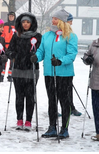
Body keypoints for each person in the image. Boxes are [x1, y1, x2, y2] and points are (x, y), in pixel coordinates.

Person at [30, 9, 78, 139]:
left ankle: (64, 128)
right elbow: (41, 51)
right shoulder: (46, 36)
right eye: (52, 18)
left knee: (64, 101)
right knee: (52, 100)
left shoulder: (70, 36)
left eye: (56, 19)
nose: (53, 21)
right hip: (49, 73)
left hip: (64, 74)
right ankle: (52, 127)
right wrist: (36, 57)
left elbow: (72, 54)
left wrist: (60, 61)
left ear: (62, 21)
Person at [6, 12, 42, 131]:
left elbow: (41, 51)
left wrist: (35, 56)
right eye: (23, 22)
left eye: (28, 22)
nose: (25, 24)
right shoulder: (16, 35)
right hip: (18, 69)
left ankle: (28, 120)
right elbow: (9, 50)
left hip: (31, 70)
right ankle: (19, 119)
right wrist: (12, 55)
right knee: (19, 96)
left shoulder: (37, 36)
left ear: (31, 23)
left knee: (30, 96)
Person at [82, 39, 99, 141]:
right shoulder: (95, 44)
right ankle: (98, 132)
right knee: (96, 109)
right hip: (95, 82)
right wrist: (87, 59)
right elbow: (86, 55)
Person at [66, 13, 82, 116]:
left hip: (67, 68)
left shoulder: (71, 35)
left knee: (68, 88)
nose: (71, 23)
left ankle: (71, 106)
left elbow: (72, 52)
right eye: (70, 21)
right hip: (58, 67)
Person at [1, 11, 16, 82]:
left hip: (13, 45)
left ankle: (10, 76)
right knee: (3, 60)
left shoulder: (17, 25)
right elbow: (2, 34)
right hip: (5, 45)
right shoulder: (4, 25)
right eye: (10, 16)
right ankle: (1, 75)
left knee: (12, 61)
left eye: (12, 16)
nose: (11, 17)